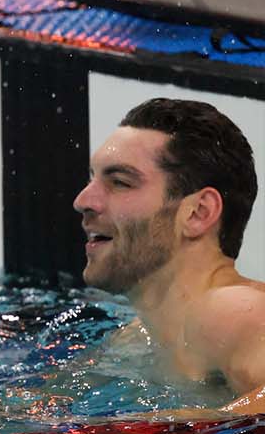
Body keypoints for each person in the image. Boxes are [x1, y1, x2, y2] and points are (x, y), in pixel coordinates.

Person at [73, 98, 264, 413]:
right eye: (92, 178)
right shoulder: (133, 340)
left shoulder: (235, 311)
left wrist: (179, 427)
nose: (83, 200)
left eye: (120, 182)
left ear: (198, 213)